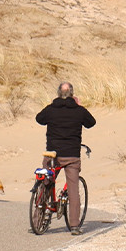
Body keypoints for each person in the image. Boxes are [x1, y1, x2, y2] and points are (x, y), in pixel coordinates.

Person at [35, 81, 96, 235]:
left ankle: (38, 220)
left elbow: (39, 119)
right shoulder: (78, 110)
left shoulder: (51, 109)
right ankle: (74, 225)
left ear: (58, 93)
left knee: (45, 182)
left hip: (52, 154)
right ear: (72, 93)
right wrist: (78, 106)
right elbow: (91, 123)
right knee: (73, 188)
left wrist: (53, 106)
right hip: (72, 155)